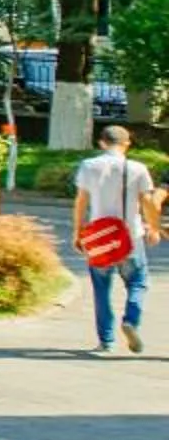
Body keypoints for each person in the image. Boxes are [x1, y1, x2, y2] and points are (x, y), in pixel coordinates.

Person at [70, 123, 155, 354]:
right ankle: (131, 320)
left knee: (101, 288)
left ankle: (106, 341)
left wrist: (78, 232)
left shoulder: (88, 166)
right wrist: (153, 228)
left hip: (99, 237)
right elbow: (147, 202)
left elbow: (81, 201)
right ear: (127, 144)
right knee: (138, 282)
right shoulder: (137, 168)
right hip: (131, 236)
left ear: (101, 143)